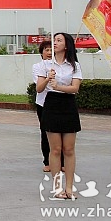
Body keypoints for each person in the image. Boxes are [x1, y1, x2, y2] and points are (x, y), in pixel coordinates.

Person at [36, 32, 82, 200]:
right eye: (54, 40)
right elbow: (39, 88)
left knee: (68, 149)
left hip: (68, 105)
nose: (54, 43)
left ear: (67, 45)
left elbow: (75, 88)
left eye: (59, 40)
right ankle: (57, 188)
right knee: (55, 149)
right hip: (51, 104)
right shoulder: (45, 65)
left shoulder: (74, 66)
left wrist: (59, 87)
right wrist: (48, 79)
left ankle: (69, 187)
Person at [32, 40, 62, 172]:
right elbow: (39, 87)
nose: (49, 53)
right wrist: (48, 78)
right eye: (46, 50)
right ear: (41, 52)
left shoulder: (61, 65)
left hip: (59, 102)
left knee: (61, 132)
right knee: (46, 132)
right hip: (43, 103)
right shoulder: (38, 67)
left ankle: (62, 162)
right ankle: (47, 161)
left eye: (52, 50)